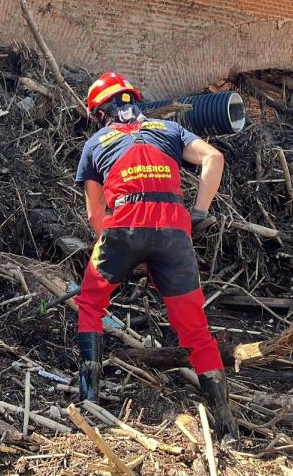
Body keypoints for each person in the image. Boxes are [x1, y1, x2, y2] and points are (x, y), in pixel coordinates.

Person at [73, 71, 239, 441]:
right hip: (173, 232)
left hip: (122, 228)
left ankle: (89, 398)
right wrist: (198, 212)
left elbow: (94, 214)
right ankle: (225, 421)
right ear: (134, 100)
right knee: (194, 327)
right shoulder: (169, 130)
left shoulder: (96, 143)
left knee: (90, 303)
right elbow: (214, 158)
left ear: (100, 112)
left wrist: (120, 252)